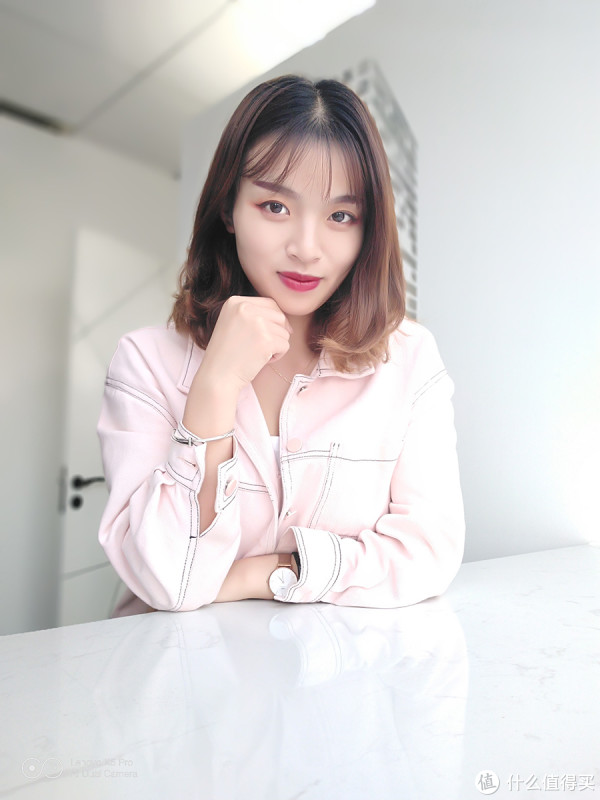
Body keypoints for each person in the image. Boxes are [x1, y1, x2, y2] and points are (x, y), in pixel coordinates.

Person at [97, 74, 465, 616]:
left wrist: (265, 573)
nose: (306, 248)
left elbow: (429, 552)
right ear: (229, 208)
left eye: (340, 216)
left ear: (368, 229)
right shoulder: (146, 363)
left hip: (336, 667)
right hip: (180, 666)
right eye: (275, 207)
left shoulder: (408, 359)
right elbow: (168, 581)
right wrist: (215, 385)